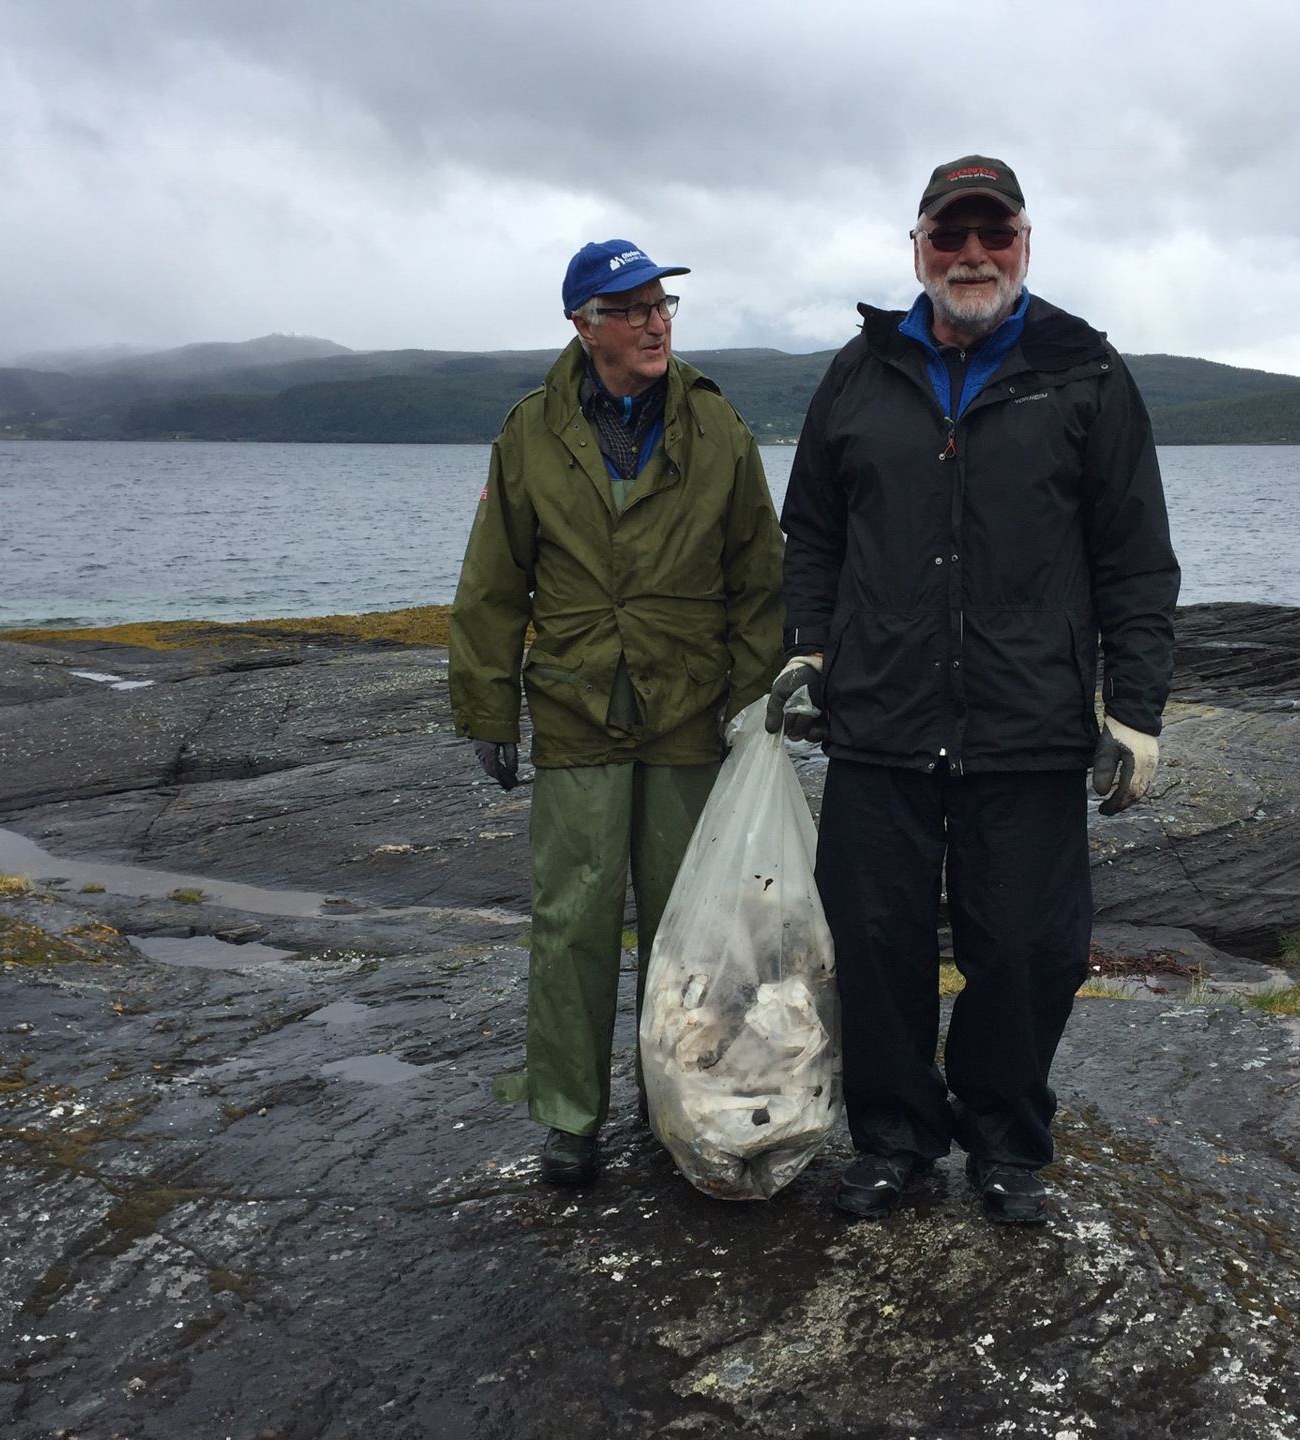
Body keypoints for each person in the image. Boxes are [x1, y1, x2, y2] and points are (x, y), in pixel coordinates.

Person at [771, 156, 1180, 1224]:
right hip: (881, 725)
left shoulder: (1085, 371)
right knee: (874, 942)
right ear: (916, 249)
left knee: (1028, 952)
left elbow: (1136, 560)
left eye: (992, 235)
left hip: (1028, 725)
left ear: (1024, 245)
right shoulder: (859, 375)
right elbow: (811, 533)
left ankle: (1006, 1145)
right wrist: (809, 652)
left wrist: (1133, 714)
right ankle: (895, 1138)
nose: (971, 256)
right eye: (950, 237)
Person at [450, 239, 785, 1186]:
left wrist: (759, 708)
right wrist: (487, 709)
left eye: (662, 304)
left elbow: (759, 577)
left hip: (689, 709)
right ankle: (569, 1115)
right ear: (582, 324)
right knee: (572, 923)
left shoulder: (717, 427)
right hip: (573, 706)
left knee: (695, 929)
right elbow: (491, 584)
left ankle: (684, 1102)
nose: (655, 322)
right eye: (630, 307)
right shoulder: (528, 433)